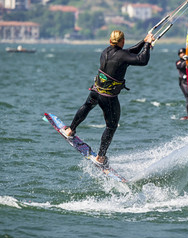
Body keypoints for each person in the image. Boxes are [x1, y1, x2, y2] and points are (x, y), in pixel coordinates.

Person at [61, 30, 154, 167]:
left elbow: (128, 52)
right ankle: (100, 157)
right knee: (111, 126)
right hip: (108, 98)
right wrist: (147, 45)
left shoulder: (106, 51)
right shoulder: (122, 55)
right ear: (122, 41)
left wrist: (144, 41)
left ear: (110, 41)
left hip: (95, 91)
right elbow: (142, 60)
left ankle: (70, 130)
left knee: (87, 106)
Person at [176, 48, 188, 116]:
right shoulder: (178, 62)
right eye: (181, 53)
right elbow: (181, 66)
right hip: (183, 82)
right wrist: (186, 61)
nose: (183, 54)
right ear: (179, 55)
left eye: (184, 52)